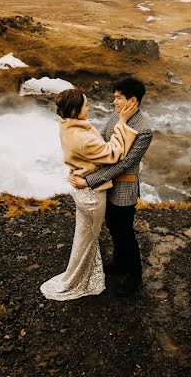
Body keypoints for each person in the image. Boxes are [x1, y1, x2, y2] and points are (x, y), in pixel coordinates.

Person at [40, 88, 139, 301]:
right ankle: (79, 280)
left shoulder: (67, 125)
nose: (89, 107)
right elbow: (114, 153)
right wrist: (122, 121)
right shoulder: (83, 138)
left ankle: (80, 274)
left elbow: (83, 154)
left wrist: (84, 168)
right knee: (88, 241)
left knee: (83, 237)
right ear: (75, 110)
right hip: (92, 196)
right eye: (86, 105)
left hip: (81, 192)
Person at [69, 76, 153, 297]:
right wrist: (81, 165)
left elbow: (125, 164)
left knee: (125, 232)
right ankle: (117, 263)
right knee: (113, 227)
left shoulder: (144, 130)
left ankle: (134, 278)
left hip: (124, 188)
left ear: (132, 100)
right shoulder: (117, 115)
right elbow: (104, 143)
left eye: (118, 97)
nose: (114, 101)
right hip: (107, 183)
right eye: (114, 97)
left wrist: (88, 181)